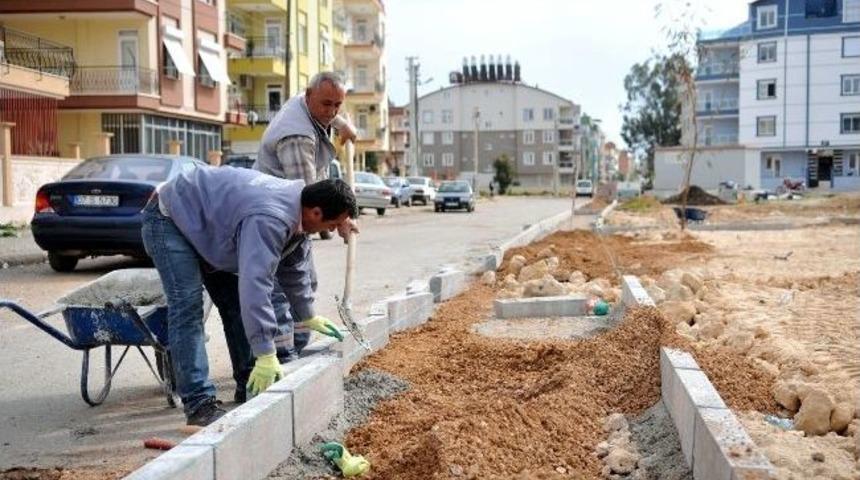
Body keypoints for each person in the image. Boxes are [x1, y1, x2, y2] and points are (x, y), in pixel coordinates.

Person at [141, 165, 356, 426]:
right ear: (316, 212)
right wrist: (266, 352)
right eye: (332, 225)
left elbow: (294, 272)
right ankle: (199, 404)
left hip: (211, 225)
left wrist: (308, 315)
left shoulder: (300, 214)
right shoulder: (271, 219)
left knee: (234, 304)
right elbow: (256, 284)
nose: (332, 231)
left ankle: (249, 384)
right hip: (170, 217)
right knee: (188, 308)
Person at [254, 71, 358, 362]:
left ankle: (296, 350)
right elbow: (311, 199)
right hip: (275, 218)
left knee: (305, 283)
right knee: (280, 292)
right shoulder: (297, 137)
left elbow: (325, 111)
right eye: (327, 104)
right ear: (309, 95)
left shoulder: (306, 104)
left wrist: (342, 125)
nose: (332, 111)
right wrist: (341, 220)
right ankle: (283, 358)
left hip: (293, 215)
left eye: (338, 104)